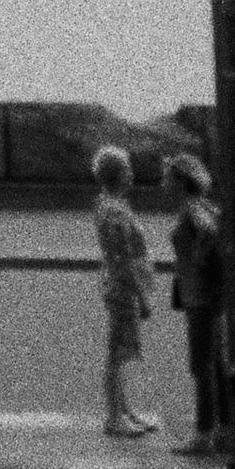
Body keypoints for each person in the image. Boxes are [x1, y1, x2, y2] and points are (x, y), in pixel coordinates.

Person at [91, 141, 159, 436]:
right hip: (122, 288)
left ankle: (124, 411)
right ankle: (114, 417)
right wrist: (142, 297)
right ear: (117, 174)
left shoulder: (110, 205)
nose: (131, 173)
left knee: (122, 350)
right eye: (127, 168)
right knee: (118, 351)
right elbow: (124, 259)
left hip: (119, 285)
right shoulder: (114, 211)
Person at [164, 150, 226, 451]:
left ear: (181, 180)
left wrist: (199, 259)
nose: (164, 182)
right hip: (208, 293)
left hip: (198, 295)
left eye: (168, 177)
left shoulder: (191, 207)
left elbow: (209, 232)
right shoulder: (201, 203)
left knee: (201, 364)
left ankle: (203, 433)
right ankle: (225, 428)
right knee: (216, 362)